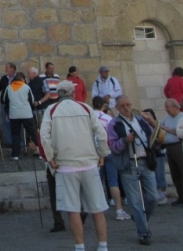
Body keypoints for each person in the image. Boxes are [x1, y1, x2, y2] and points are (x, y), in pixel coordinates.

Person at [40, 80, 109, 251]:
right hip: (89, 162)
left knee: (73, 210)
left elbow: (44, 136)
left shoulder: (52, 110)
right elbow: (100, 132)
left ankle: (80, 247)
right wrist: (102, 153)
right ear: (72, 93)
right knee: (97, 209)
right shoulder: (85, 108)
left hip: (65, 165)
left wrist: (50, 158)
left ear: (58, 93)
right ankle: (103, 246)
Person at [108, 95, 157, 246]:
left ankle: (139, 218)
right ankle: (143, 233)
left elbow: (152, 136)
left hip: (145, 161)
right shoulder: (114, 124)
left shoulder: (140, 120)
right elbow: (113, 146)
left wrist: (152, 122)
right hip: (128, 164)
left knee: (152, 197)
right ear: (117, 107)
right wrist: (124, 140)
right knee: (135, 201)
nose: (126, 107)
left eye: (128, 104)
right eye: (122, 105)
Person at [92, 96, 131, 220]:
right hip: (109, 151)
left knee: (97, 182)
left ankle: (96, 211)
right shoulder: (108, 118)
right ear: (103, 105)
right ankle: (119, 210)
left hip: (95, 152)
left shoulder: (89, 117)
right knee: (113, 181)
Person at [150, 99, 183, 207]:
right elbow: (159, 127)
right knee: (175, 173)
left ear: (175, 107)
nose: (166, 109)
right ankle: (181, 196)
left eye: (167, 107)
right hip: (169, 147)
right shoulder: (167, 119)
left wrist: (170, 130)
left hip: (180, 146)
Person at [2, 71, 38, 160]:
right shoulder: (26, 87)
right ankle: (37, 152)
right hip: (26, 114)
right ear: (23, 79)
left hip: (14, 114)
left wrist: (7, 111)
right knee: (32, 133)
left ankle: (15, 155)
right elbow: (31, 100)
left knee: (15, 134)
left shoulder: (9, 87)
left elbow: (5, 100)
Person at [0, 62, 17, 145]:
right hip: (5, 104)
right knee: (6, 123)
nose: (6, 70)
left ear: (12, 69)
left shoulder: (18, 78)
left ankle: (19, 143)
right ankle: (8, 142)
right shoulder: (4, 78)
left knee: (17, 124)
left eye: (7, 68)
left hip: (15, 105)